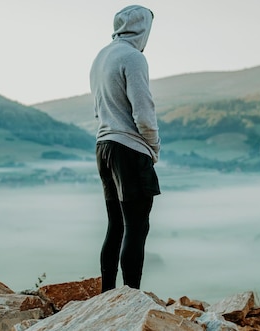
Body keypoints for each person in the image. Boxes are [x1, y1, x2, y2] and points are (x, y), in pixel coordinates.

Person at [89, 4, 161, 293]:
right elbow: (144, 113)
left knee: (115, 225)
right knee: (137, 226)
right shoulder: (133, 58)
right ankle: (131, 299)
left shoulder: (101, 57)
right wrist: (153, 147)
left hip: (103, 146)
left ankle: (107, 295)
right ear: (143, 28)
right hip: (129, 148)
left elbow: (98, 109)